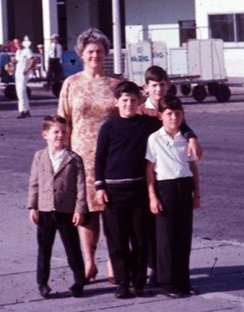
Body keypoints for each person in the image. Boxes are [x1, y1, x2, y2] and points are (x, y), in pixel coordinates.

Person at [57, 27, 120, 282]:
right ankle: (89, 262)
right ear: (81, 55)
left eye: (99, 51)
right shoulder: (71, 84)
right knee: (86, 212)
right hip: (80, 158)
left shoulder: (116, 84)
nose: (95, 55)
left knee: (112, 211)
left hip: (112, 159)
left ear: (106, 53)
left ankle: (114, 263)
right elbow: (63, 121)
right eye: (90, 51)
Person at [94, 80, 163, 298]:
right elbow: (100, 157)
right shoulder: (109, 127)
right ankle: (122, 282)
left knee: (141, 239)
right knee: (117, 240)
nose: (129, 104)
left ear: (140, 102)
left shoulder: (148, 125)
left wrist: (189, 136)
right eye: (124, 100)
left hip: (139, 190)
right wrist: (100, 186)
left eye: (133, 100)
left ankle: (138, 282)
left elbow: (174, 123)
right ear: (116, 102)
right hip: (114, 193)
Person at [146, 95, 201, 299]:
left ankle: (183, 282)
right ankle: (167, 283)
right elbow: (149, 170)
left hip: (184, 187)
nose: (173, 118)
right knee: (166, 238)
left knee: (183, 237)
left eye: (177, 114)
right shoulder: (154, 139)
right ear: (161, 116)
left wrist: (197, 194)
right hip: (165, 188)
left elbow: (193, 165)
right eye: (169, 114)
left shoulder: (186, 138)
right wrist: (153, 196)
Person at [27, 115, 87, 299]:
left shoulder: (74, 158)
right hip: (45, 210)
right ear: (45, 134)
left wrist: (79, 209)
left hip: (66, 210)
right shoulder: (39, 156)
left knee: (72, 248)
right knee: (44, 249)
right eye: (56, 132)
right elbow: (34, 182)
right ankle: (43, 283)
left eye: (63, 132)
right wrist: (32, 206)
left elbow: (81, 186)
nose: (60, 135)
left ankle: (79, 281)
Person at [12, 37, 36, 118]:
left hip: (23, 73)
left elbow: (33, 60)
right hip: (18, 73)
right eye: (15, 43)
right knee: (20, 91)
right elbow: (18, 61)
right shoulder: (18, 52)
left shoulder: (27, 50)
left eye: (18, 42)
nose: (17, 45)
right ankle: (26, 110)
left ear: (21, 42)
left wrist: (27, 69)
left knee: (21, 91)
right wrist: (14, 61)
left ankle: (23, 111)